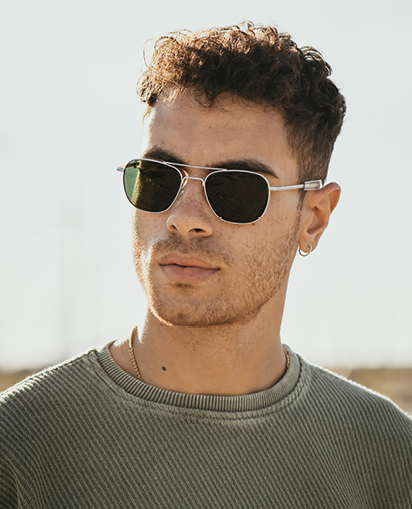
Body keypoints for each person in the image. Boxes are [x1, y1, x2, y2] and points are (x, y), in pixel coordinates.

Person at [1, 23, 411, 508]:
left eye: (235, 188)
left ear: (314, 219)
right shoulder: (20, 444)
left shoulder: (387, 456)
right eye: (157, 178)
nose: (183, 219)